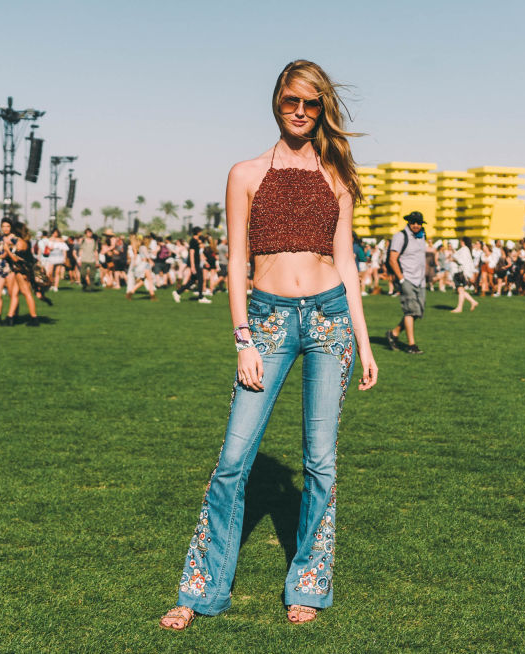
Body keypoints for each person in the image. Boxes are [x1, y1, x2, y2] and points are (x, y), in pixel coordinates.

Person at [159, 60, 377, 631]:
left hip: (331, 319)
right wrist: (243, 339)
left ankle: (308, 581)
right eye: (290, 101)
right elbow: (235, 261)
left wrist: (365, 338)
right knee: (233, 462)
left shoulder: (338, 177)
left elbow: (347, 261)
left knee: (321, 462)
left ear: (321, 107)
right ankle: (202, 589)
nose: (300, 111)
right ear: (276, 102)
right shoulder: (245, 173)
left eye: (310, 103)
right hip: (268, 322)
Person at [384, 211, 428, 354]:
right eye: (413, 222)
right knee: (410, 310)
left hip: (420, 281)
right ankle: (411, 344)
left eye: (418, 223)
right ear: (408, 222)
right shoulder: (400, 236)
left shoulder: (422, 236)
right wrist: (401, 278)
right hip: (407, 278)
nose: (416, 225)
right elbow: (392, 258)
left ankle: (394, 333)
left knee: (417, 312)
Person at [171, 226, 205, 303]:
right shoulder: (193, 241)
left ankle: (177, 292)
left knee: (193, 281)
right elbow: (192, 253)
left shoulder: (196, 241)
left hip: (196, 263)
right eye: (200, 231)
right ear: (198, 232)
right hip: (195, 263)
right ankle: (201, 297)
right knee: (200, 279)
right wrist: (192, 266)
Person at [450, 236, 479, 313]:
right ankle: (473, 302)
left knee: (460, 290)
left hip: (460, 272)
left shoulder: (464, 250)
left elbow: (461, 261)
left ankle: (460, 308)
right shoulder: (466, 250)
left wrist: (453, 259)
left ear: (462, 241)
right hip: (463, 272)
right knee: (461, 290)